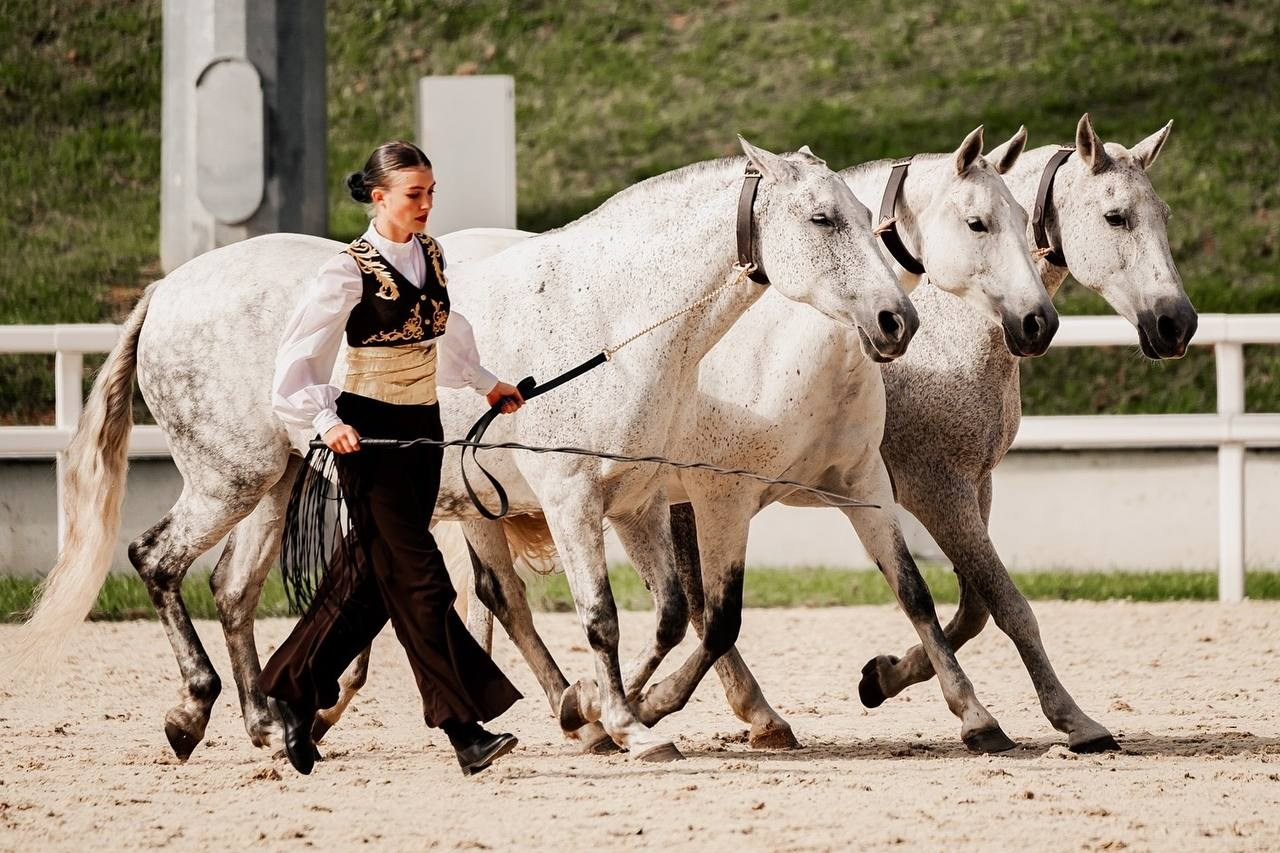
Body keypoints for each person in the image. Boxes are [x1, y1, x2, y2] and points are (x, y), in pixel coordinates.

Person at [260, 140, 524, 777]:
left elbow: (443, 332)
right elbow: (295, 365)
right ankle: (464, 729)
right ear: (379, 198)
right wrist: (327, 421)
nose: (427, 203)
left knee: (372, 582)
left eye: (431, 191)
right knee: (423, 579)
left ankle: (294, 690)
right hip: (369, 437)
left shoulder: (431, 254)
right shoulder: (347, 270)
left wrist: (487, 382)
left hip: (422, 431)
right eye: (414, 193)